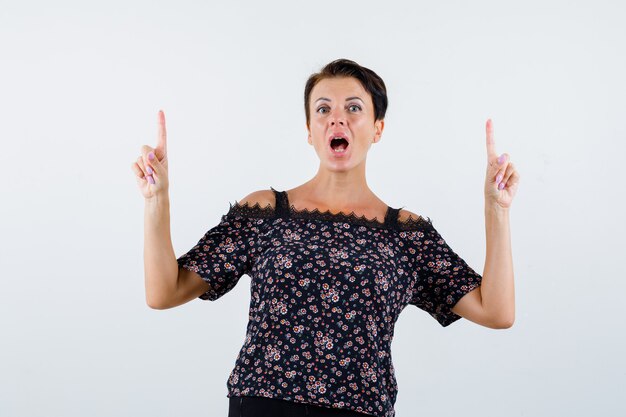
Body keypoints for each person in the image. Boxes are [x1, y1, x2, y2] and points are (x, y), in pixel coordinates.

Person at [132, 59, 519, 417]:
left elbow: (496, 312)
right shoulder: (265, 212)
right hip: (263, 406)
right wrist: (157, 199)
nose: (338, 120)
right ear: (309, 131)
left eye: (353, 108)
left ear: (377, 127)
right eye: (323, 109)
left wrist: (496, 209)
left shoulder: (405, 234)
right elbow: (165, 292)